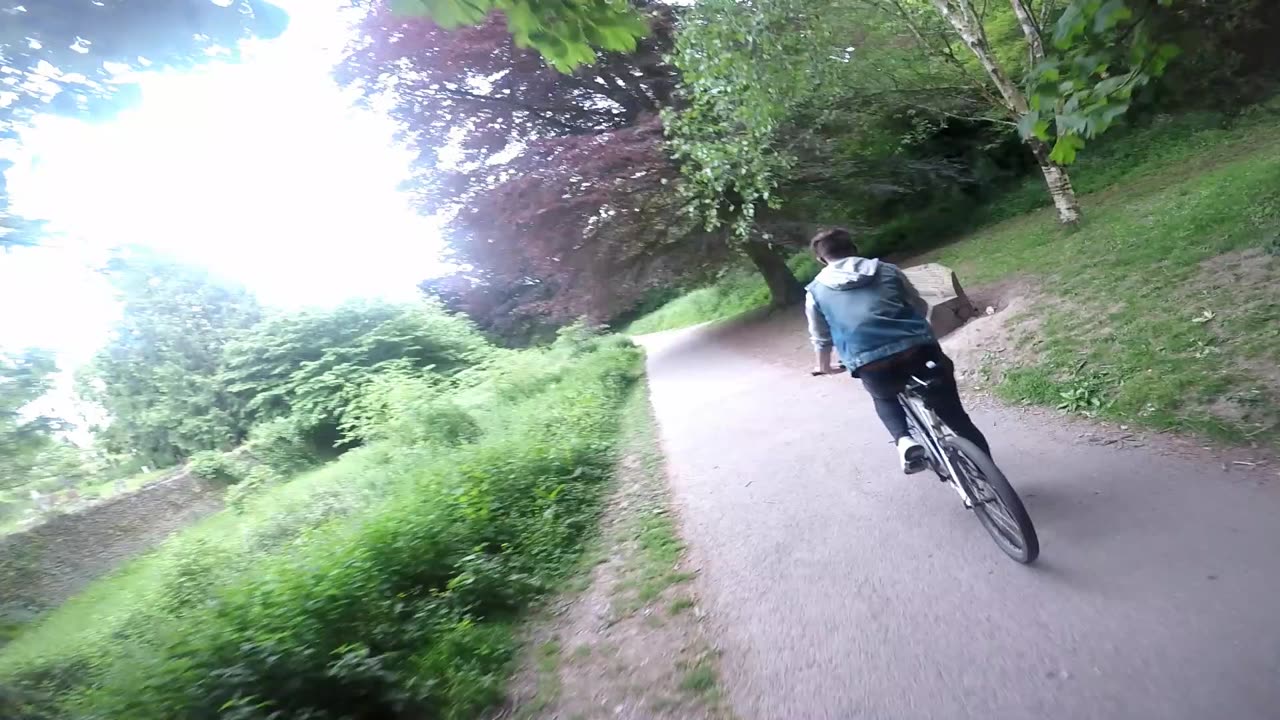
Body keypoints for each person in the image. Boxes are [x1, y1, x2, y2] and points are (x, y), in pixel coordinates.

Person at [804, 228, 991, 473]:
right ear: (854, 248)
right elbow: (919, 303)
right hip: (918, 350)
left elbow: (821, 337)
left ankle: (904, 440)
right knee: (957, 419)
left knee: (883, 396)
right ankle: (989, 473)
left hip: (869, 360)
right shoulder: (887, 270)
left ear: (821, 259)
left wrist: (824, 367)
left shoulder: (815, 292)